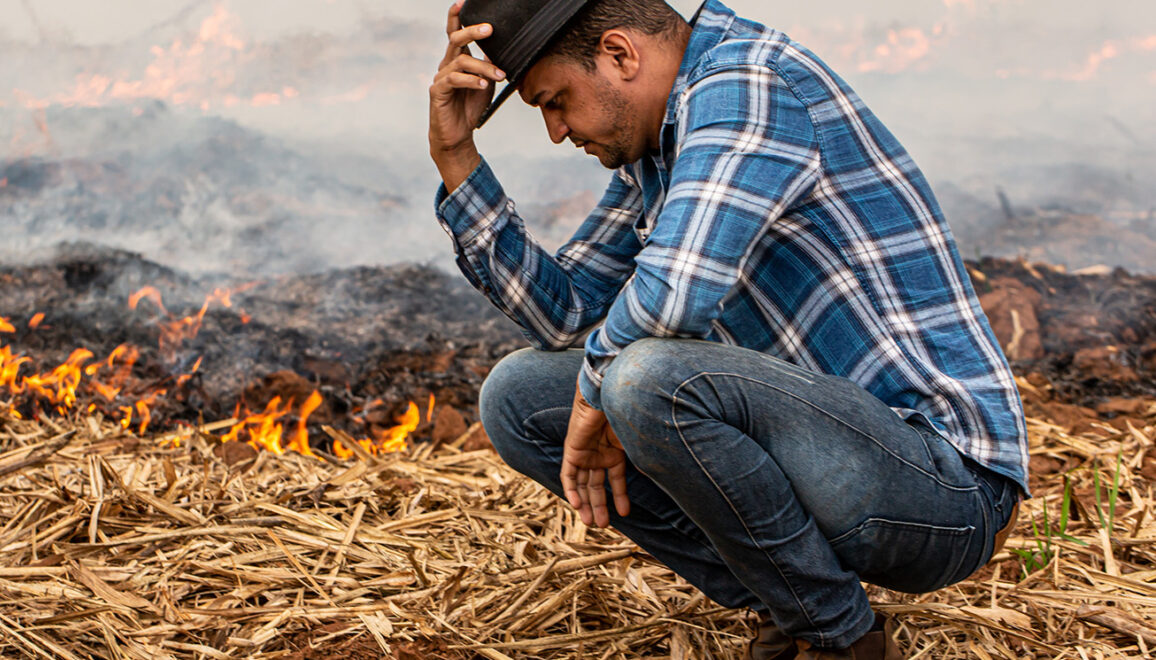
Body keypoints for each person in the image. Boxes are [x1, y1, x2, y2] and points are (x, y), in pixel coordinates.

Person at [426, 0, 1029, 657]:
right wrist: (457, 158)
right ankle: (799, 600)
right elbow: (565, 313)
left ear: (622, 56)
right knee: (517, 398)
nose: (556, 130)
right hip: (830, 454)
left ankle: (836, 639)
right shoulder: (657, 149)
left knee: (644, 379)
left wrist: (595, 396)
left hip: (945, 486)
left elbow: (674, 296)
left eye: (556, 100)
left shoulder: (747, 84)